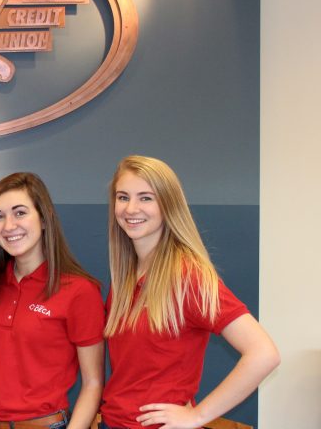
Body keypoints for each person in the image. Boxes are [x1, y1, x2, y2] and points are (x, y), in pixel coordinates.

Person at [100, 155, 280, 429]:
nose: (131, 208)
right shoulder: (125, 276)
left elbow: (264, 353)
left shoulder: (187, 276)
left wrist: (197, 416)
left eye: (146, 198)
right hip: (113, 423)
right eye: (123, 197)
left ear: (168, 205)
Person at [0, 172, 105, 429]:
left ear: (43, 219)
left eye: (20, 213)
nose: (8, 226)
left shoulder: (79, 291)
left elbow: (93, 383)